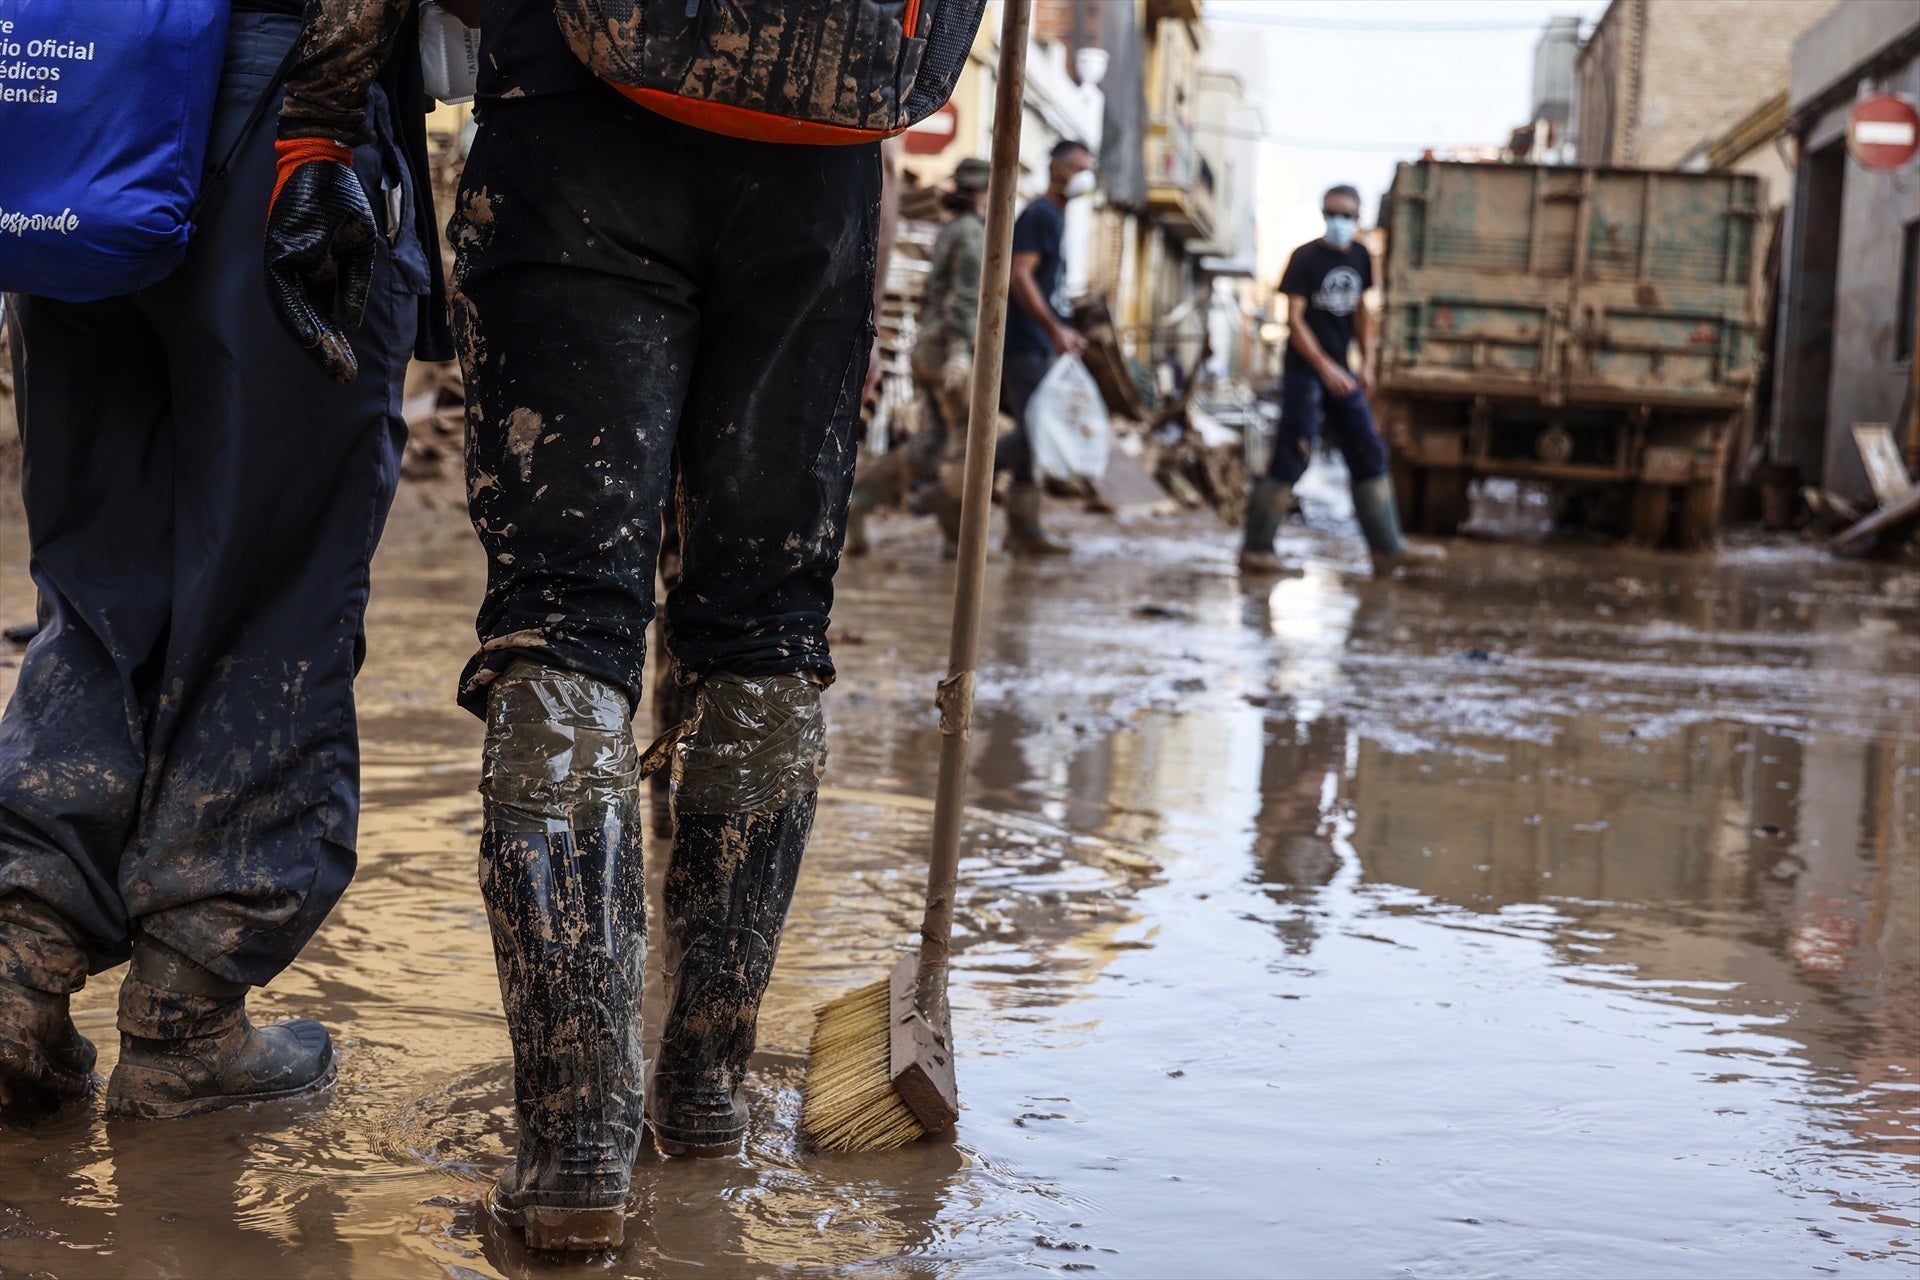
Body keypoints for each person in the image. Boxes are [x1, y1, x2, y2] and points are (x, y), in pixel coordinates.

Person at [264, 0, 982, 1251]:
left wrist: (318, 129)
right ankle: (701, 1092)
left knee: (565, 618)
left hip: (574, 124)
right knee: (763, 633)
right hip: (819, 160)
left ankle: (575, 1156)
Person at [0, 1, 450, 1122]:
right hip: (278, 99)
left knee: (99, 563)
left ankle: (17, 965)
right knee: (276, 577)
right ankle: (185, 1014)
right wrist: (321, 129)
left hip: (77, 105)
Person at [1241, 183, 1436, 573]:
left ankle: (1387, 548)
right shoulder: (1304, 259)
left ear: (1357, 217)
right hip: (1305, 373)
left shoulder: (1362, 257)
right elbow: (1294, 321)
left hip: (1343, 374)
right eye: (1332, 213)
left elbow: (1363, 312)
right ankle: (1257, 548)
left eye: (1346, 214)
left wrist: (1367, 361)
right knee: (1294, 451)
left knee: (1368, 448)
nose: (1338, 221)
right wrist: (1326, 367)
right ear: (1322, 214)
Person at [845, 157, 991, 558]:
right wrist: (962, 351)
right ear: (983, 193)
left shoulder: (953, 230)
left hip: (929, 346)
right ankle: (964, 543)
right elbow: (964, 297)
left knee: (929, 444)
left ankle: (856, 505)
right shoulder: (974, 235)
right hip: (949, 350)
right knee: (969, 446)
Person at [997, 138, 1096, 557]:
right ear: (1056, 169)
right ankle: (953, 483)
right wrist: (1054, 329)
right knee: (1041, 428)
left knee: (1035, 434)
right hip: (1026, 341)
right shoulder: (1040, 215)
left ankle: (1024, 531)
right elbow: (1020, 276)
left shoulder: (1054, 216)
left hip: (1041, 341)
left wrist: (1063, 329)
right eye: (1078, 167)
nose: (1084, 177)